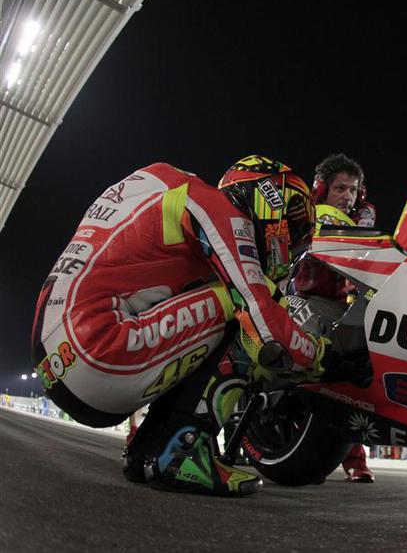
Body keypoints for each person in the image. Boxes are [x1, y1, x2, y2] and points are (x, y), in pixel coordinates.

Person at [30, 156, 360, 497]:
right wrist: (325, 357)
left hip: (58, 354)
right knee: (245, 310)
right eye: (293, 221)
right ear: (271, 196)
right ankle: (184, 451)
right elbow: (263, 319)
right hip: (97, 353)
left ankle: (150, 451)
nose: (291, 238)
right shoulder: (216, 208)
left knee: (221, 295)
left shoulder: (164, 185)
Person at [292, 152, 378, 482]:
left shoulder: (362, 217)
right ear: (322, 189)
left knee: (349, 377)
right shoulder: (304, 212)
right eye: (340, 188)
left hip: (340, 307)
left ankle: (355, 458)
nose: (347, 196)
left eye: (353, 190)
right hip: (299, 300)